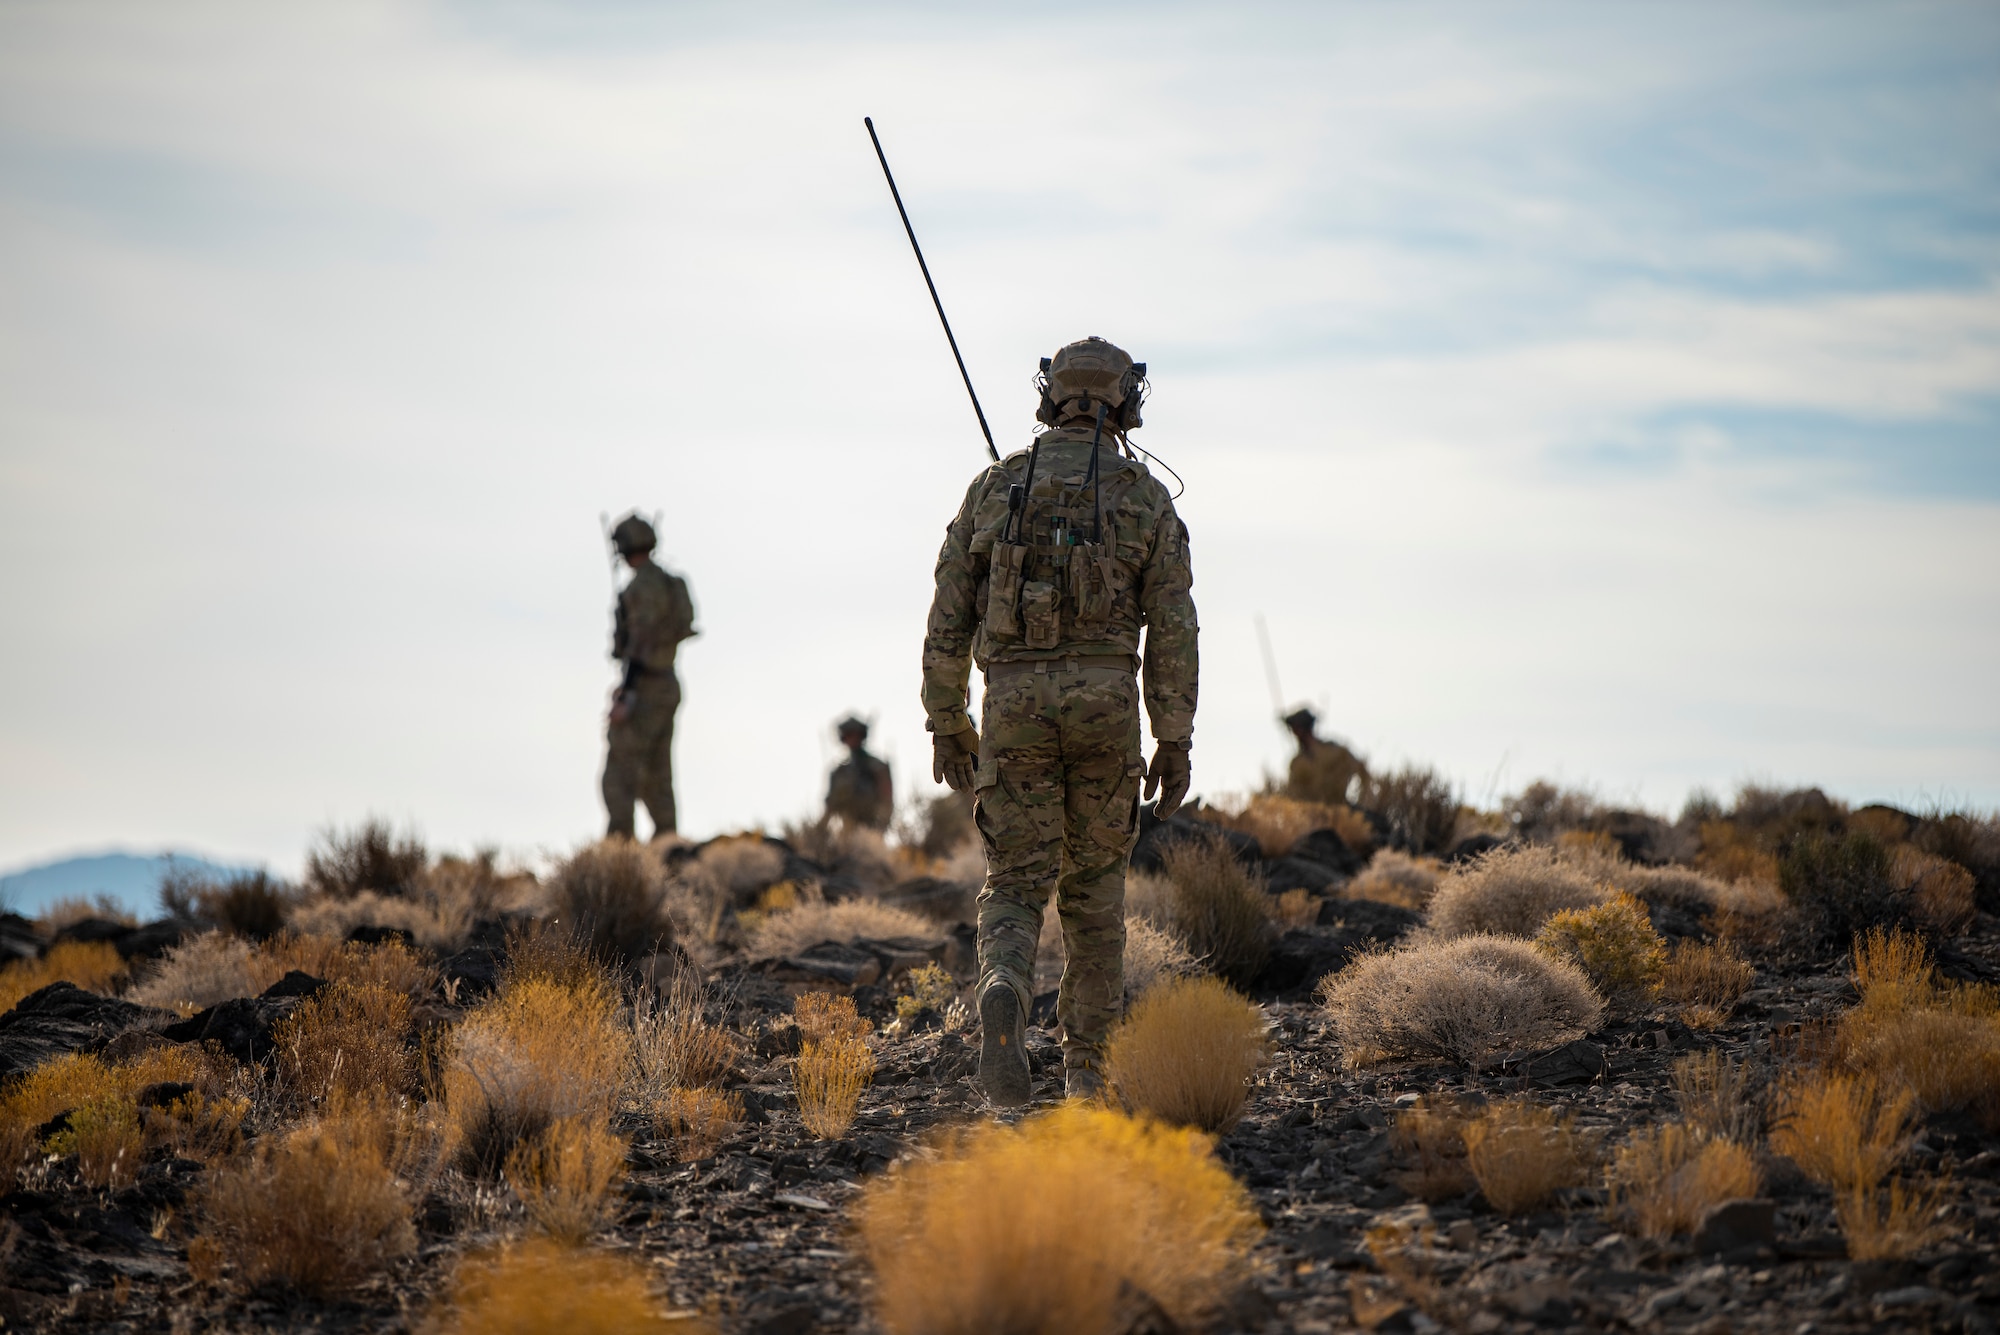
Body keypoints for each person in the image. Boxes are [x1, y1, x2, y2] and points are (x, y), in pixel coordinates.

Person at [920, 335, 1199, 1104]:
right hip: (1109, 710)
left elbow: (947, 616)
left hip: (1013, 705)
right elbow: (1174, 628)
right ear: (1123, 401)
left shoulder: (995, 487)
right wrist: (1174, 737)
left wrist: (946, 719)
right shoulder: (1145, 496)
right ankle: (1086, 1072)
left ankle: (1004, 981)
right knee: (1096, 888)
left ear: (1053, 396)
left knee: (1015, 877)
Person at [602, 513, 697, 839]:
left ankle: (619, 855)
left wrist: (626, 693)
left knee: (619, 775)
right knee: (658, 772)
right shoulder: (670, 583)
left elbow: (640, 644)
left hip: (644, 686)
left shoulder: (642, 587)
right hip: (667, 683)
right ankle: (669, 847)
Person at [1282, 706, 1368, 807]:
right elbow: (1292, 792)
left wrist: (1363, 798)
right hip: (1310, 811)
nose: (1294, 733)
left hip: (1340, 807)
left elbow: (1361, 771)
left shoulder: (1333, 751)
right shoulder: (1297, 762)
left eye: (1296, 729)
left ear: (1303, 729)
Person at [825, 716, 894, 830]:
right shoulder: (839, 772)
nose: (853, 739)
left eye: (856, 734)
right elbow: (831, 806)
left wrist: (883, 823)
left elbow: (887, 797)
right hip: (847, 828)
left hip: (873, 825)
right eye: (849, 735)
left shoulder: (877, 766)